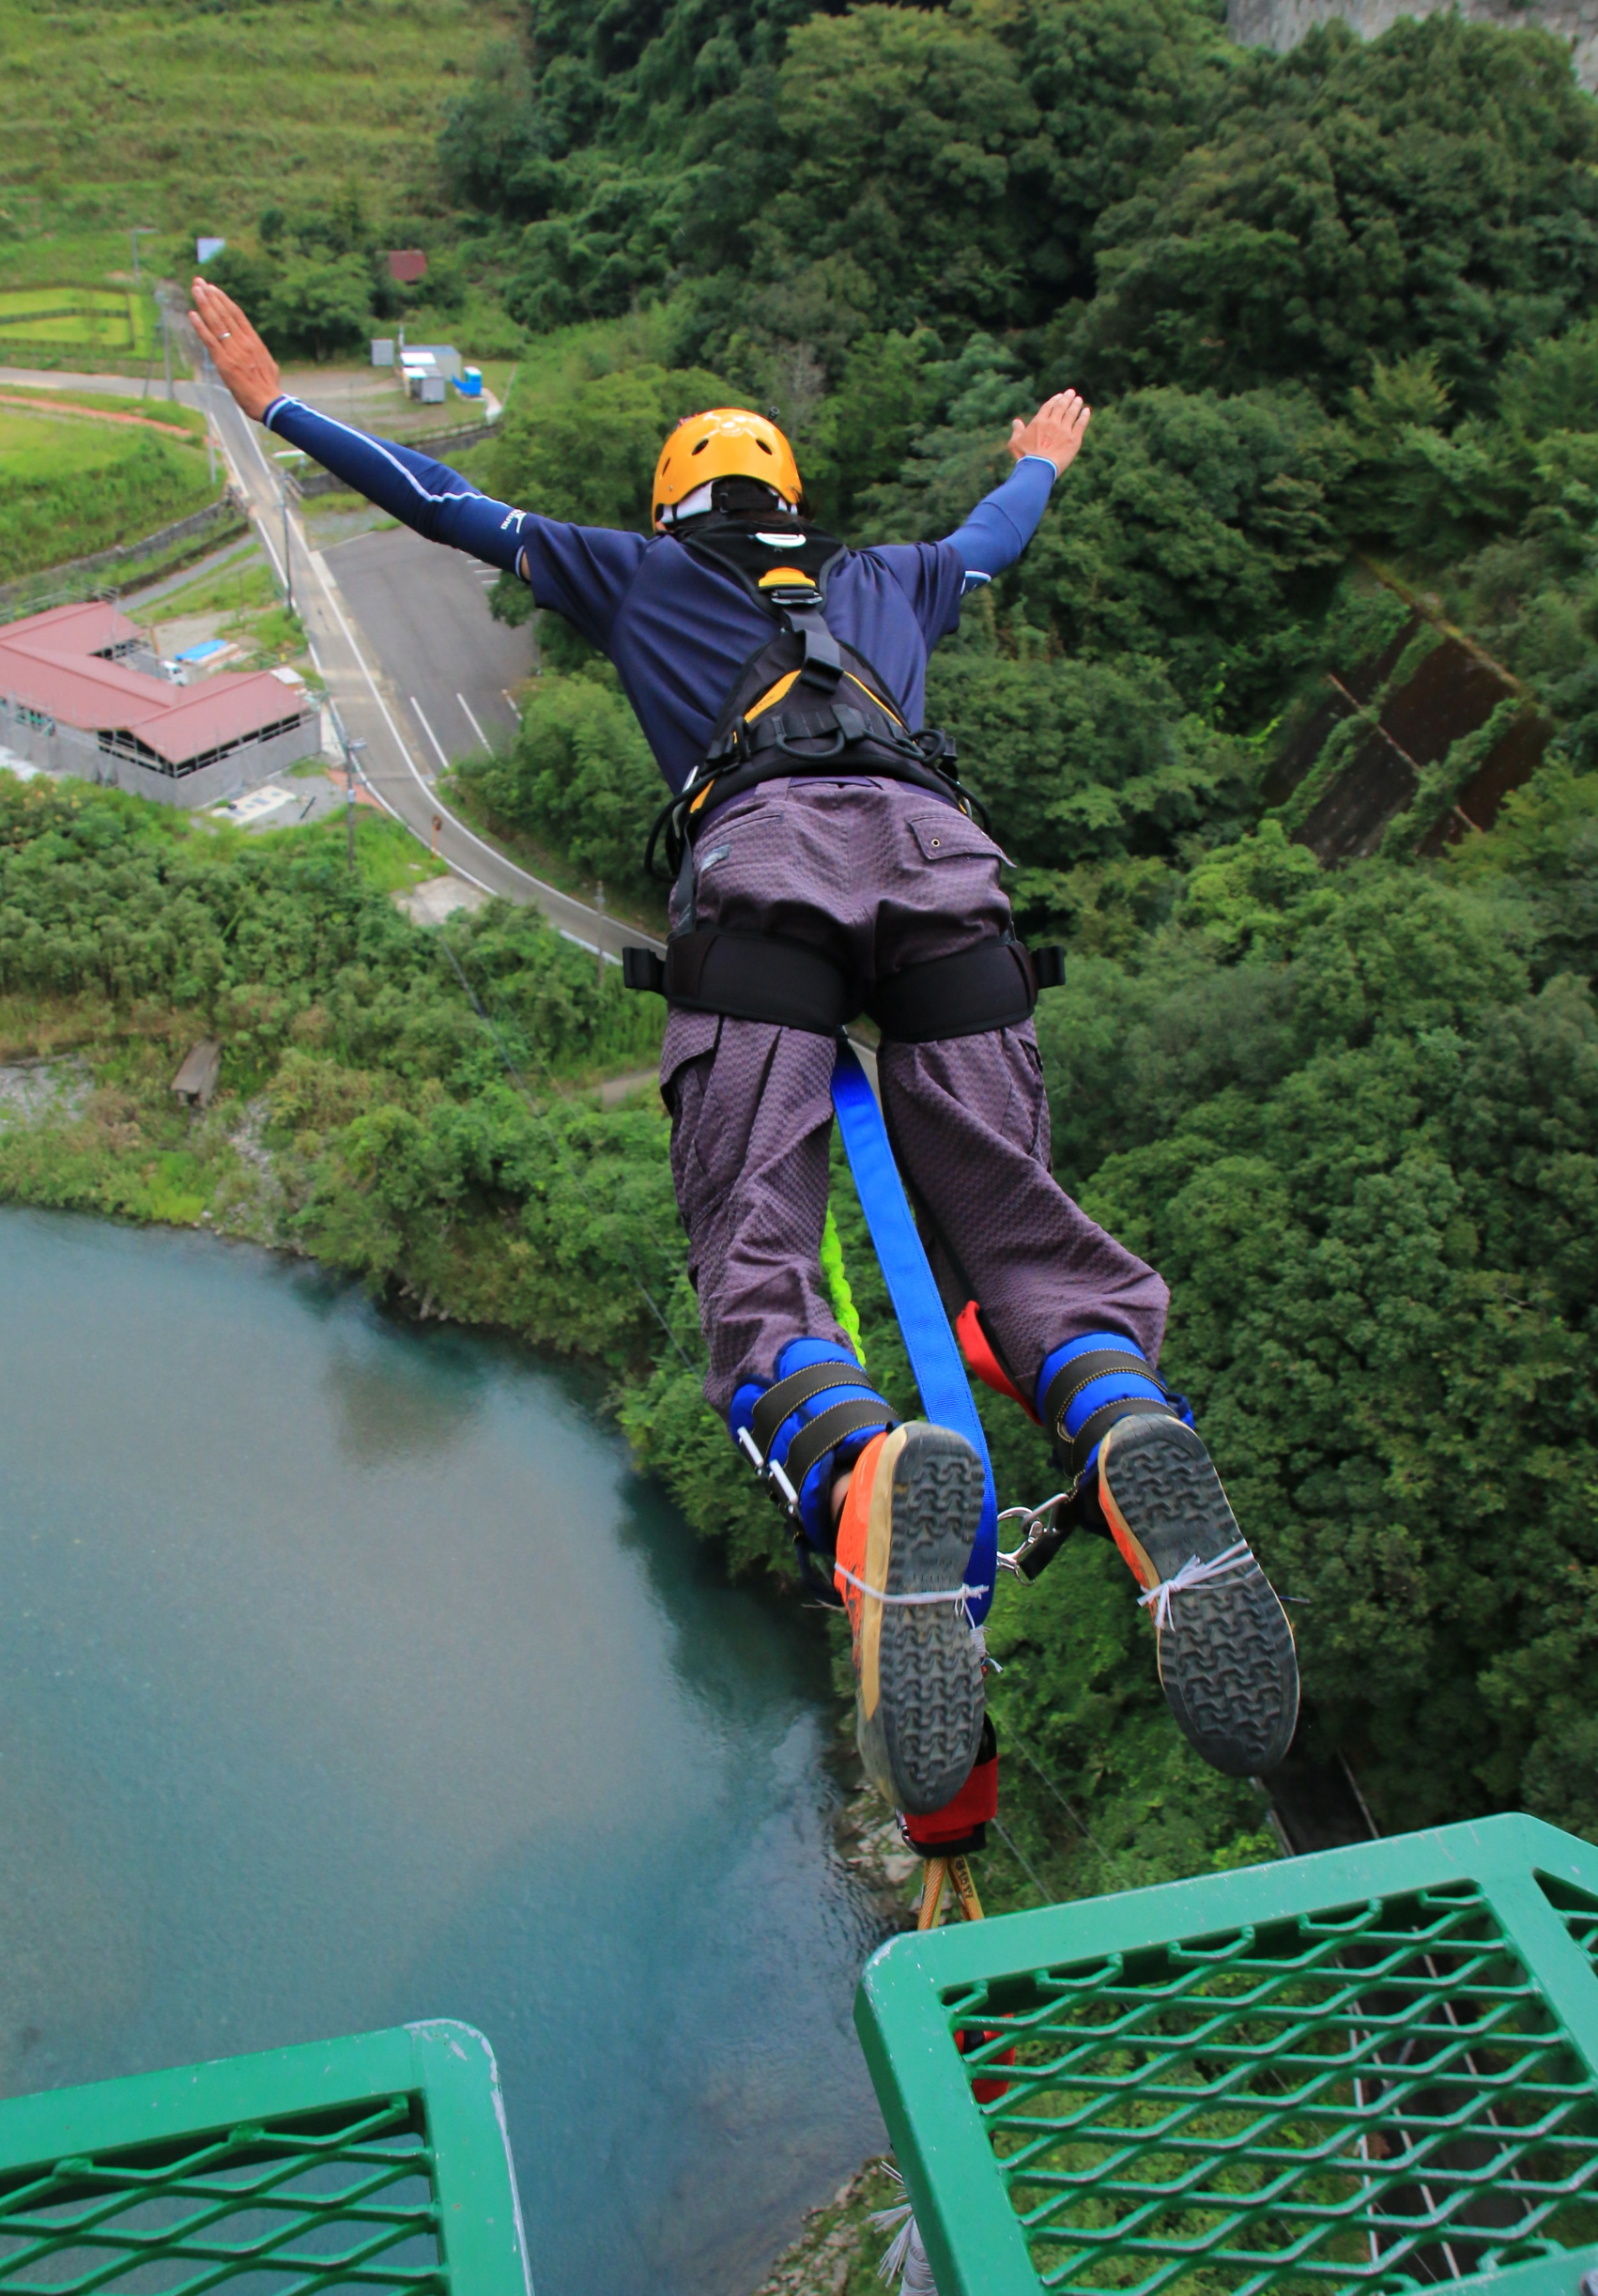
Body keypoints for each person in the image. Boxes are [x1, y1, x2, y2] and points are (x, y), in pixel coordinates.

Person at [190, 279, 1299, 1832]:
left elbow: (447, 508)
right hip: (945, 881)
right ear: (791, 501)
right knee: (1022, 1233)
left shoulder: (637, 574)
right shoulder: (896, 575)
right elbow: (997, 539)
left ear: (675, 505)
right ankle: (1128, 1421)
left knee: (756, 1257)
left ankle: (860, 1474)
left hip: (769, 888)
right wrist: (1042, 458)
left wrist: (277, 405)